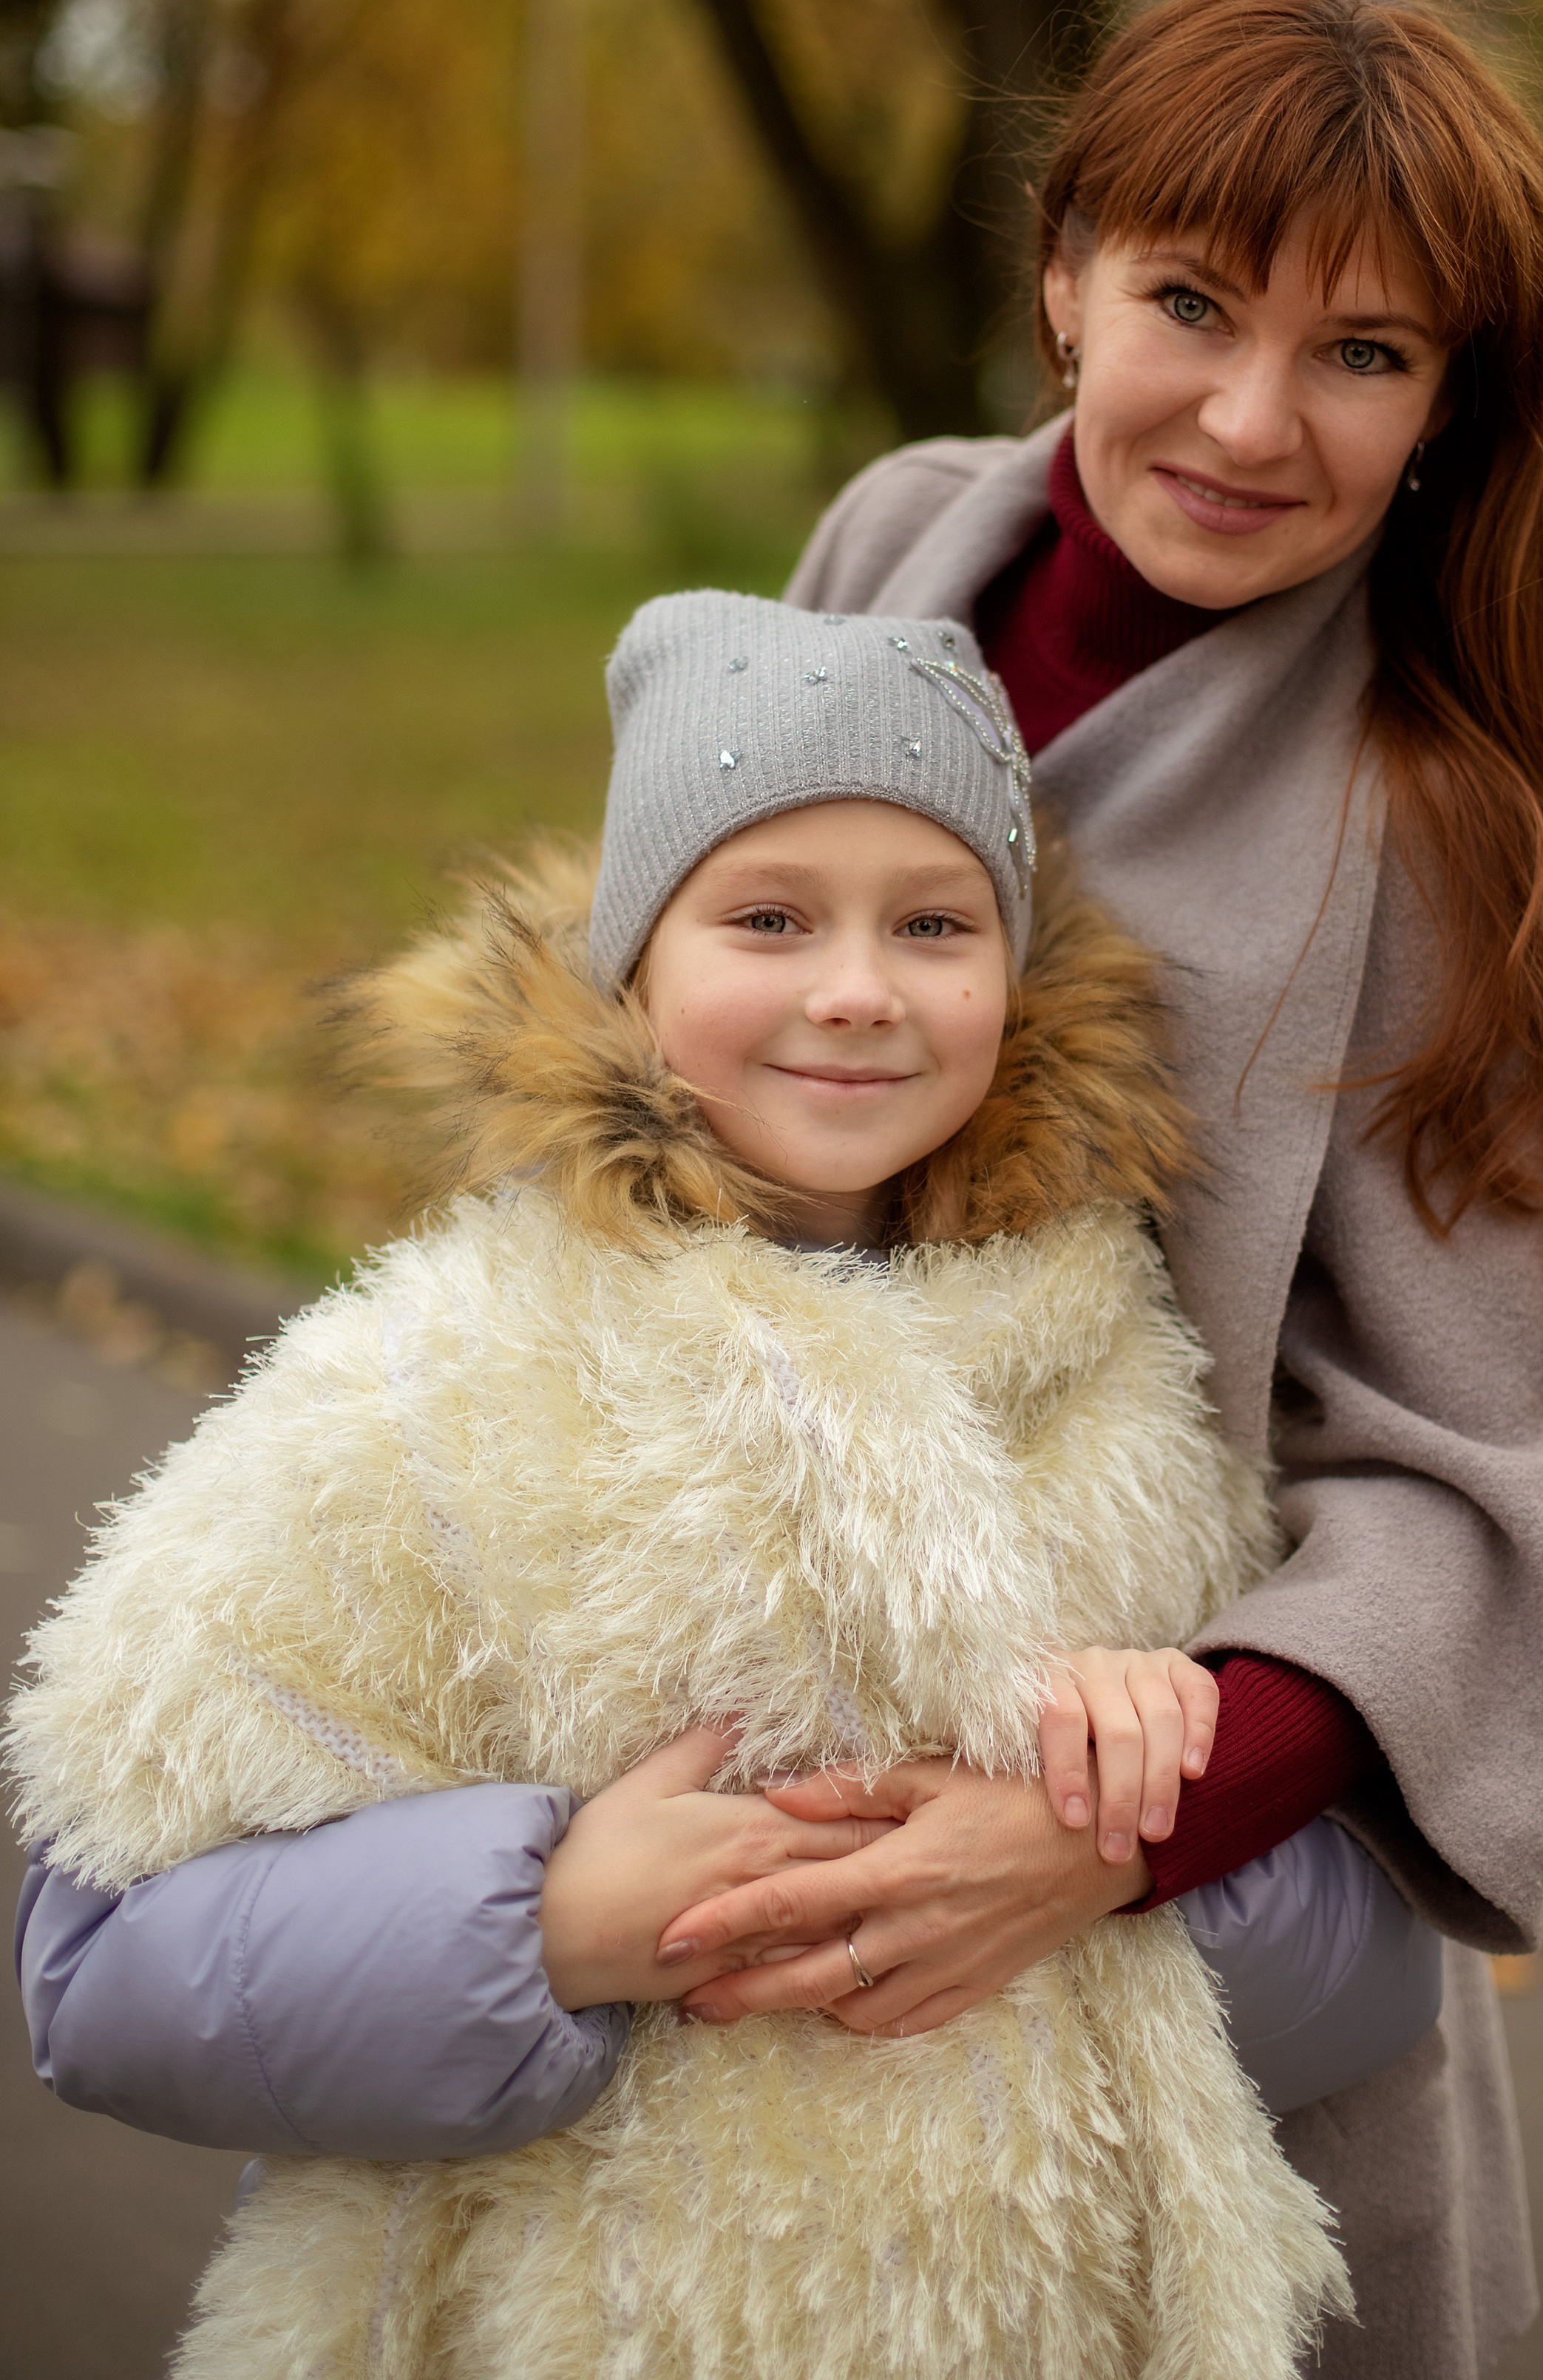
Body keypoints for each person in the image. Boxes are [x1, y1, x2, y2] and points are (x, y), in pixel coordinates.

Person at [642, 0, 1543, 2376]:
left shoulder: (1433, 833)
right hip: (756, 1793)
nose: (1256, 418)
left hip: (1157, 1933)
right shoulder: (889, 542)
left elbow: (1483, 1497)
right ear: (1062, 273)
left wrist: (1093, 1838)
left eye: (1366, 354)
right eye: (1191, 303)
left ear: (1452, 408)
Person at [10, 588, 1454, 2378]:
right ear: (634, 963)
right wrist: (544, 1923)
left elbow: (1376, 1983)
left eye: (934, 923)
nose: (854, 992)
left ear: (1018, 976)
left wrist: (1152, 1823)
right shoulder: (432, 1389)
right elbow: (103, 1969)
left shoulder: (1122, 1384)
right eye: (766, 918)